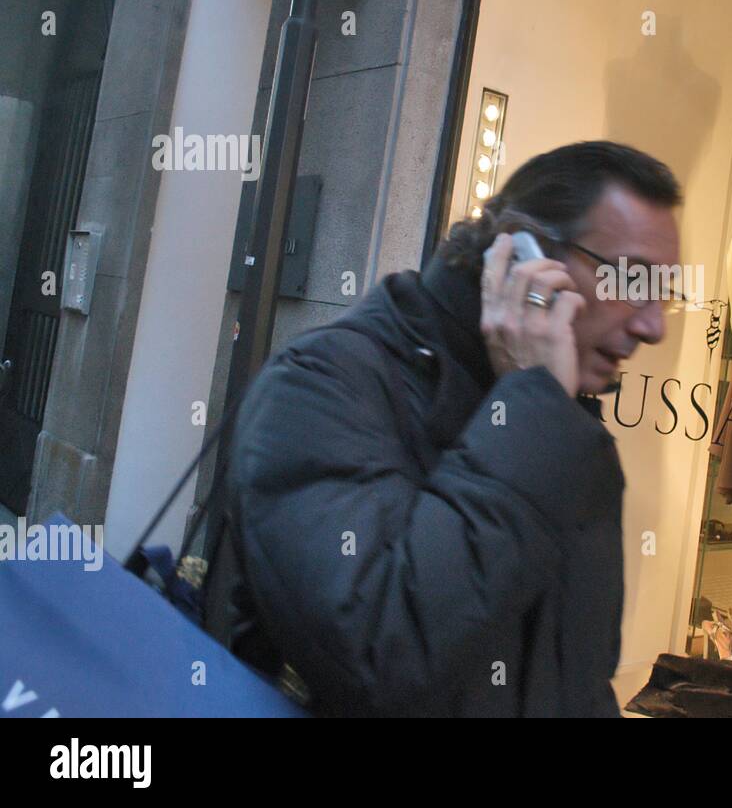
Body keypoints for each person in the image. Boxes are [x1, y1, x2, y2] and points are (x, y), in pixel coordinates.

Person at [208, 141, 682, 716]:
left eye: (664, 293)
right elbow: (383, 657)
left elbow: (579, 684)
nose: (653, 324)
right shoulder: (322, 387)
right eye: (631, 279)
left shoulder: (566, 425)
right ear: (522, 257)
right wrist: (531, 417)